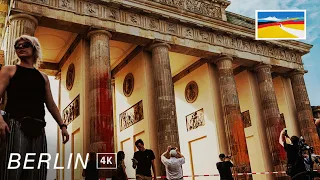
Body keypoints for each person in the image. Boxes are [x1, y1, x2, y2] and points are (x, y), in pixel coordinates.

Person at [0, 35, 69, 180]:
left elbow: (50, 104)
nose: (20, 48)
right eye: (17, 46)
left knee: (36, 174)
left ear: (34, 48)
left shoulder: (43, 77)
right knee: (12, 173)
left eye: (25, 44)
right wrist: (0, 120)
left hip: (38, 128)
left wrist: (62, 125)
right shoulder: (9, 70)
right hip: (16, 125)